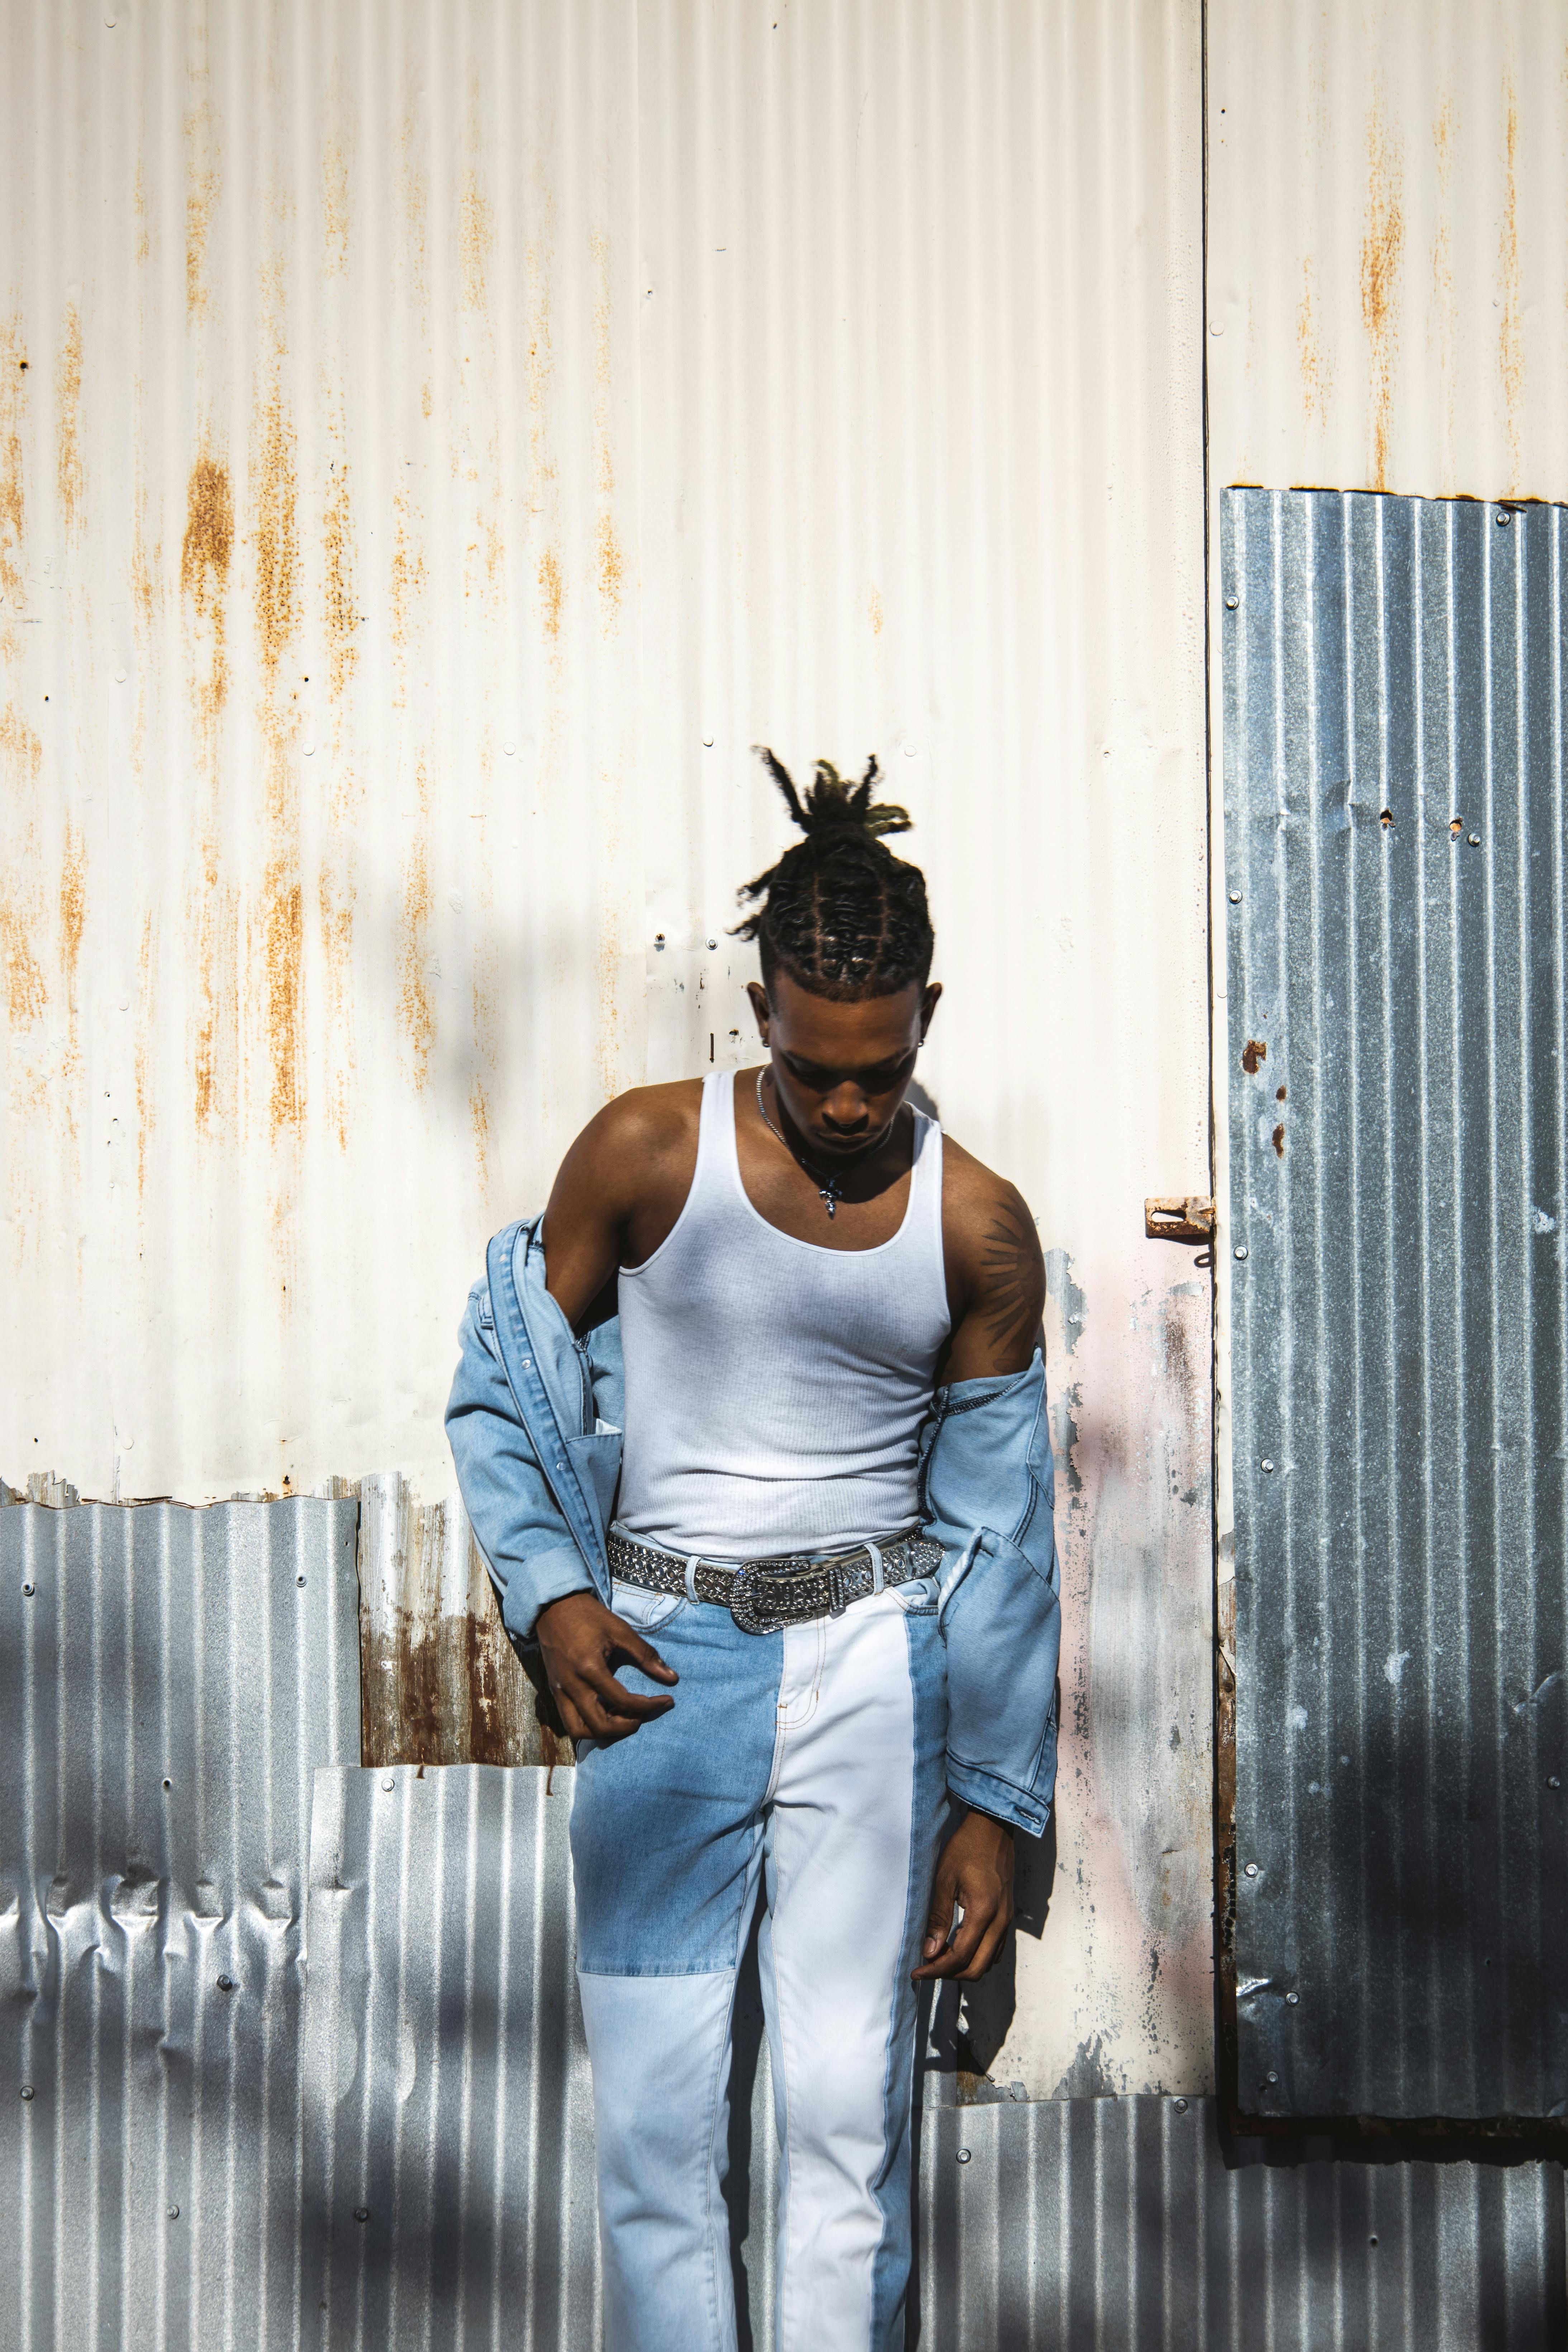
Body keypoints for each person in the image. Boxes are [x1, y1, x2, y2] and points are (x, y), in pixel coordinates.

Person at [447, 751, 1061, 2352]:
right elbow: (498, 1378)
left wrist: (990, 1808)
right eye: (815, 1069)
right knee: (658, 2137)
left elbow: (997, 1538)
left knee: (843, 2131)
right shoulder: (649, 1155)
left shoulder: (976, 1225)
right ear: (763, 1009)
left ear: (928, 1009)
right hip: (663, 1671)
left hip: (873, 1671)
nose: (849, 1106)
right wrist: (555, 1593)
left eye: (878, 1067)